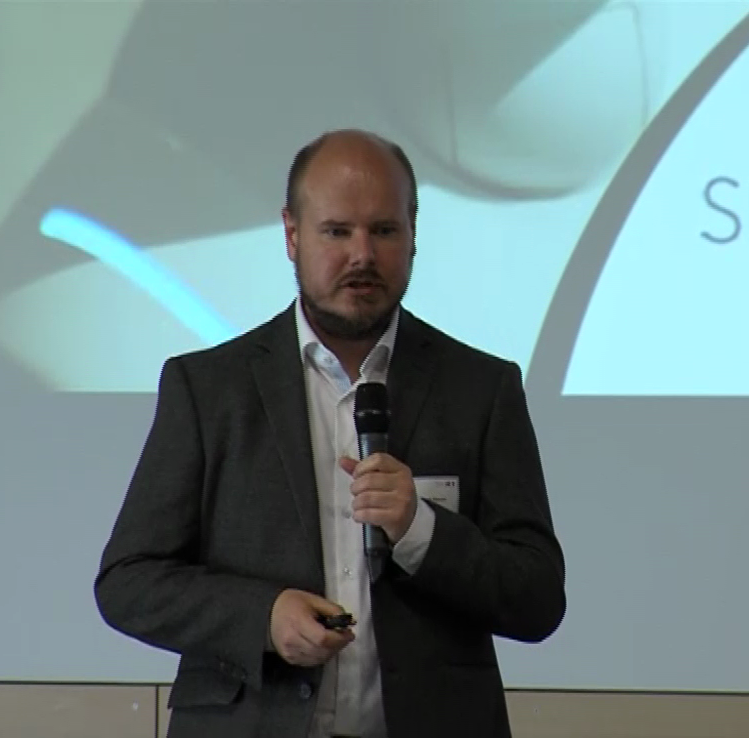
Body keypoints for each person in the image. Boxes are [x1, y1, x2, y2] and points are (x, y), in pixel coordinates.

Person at [94, 129, 567, 738]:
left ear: (414, 232)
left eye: (384, 230)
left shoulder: (481, 389)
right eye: (337, 231)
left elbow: (537, 599)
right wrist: (263, 617)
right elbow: (128, 581)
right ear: (292, 235)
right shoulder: (210, 389)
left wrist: (420, 529)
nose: (362, 255)